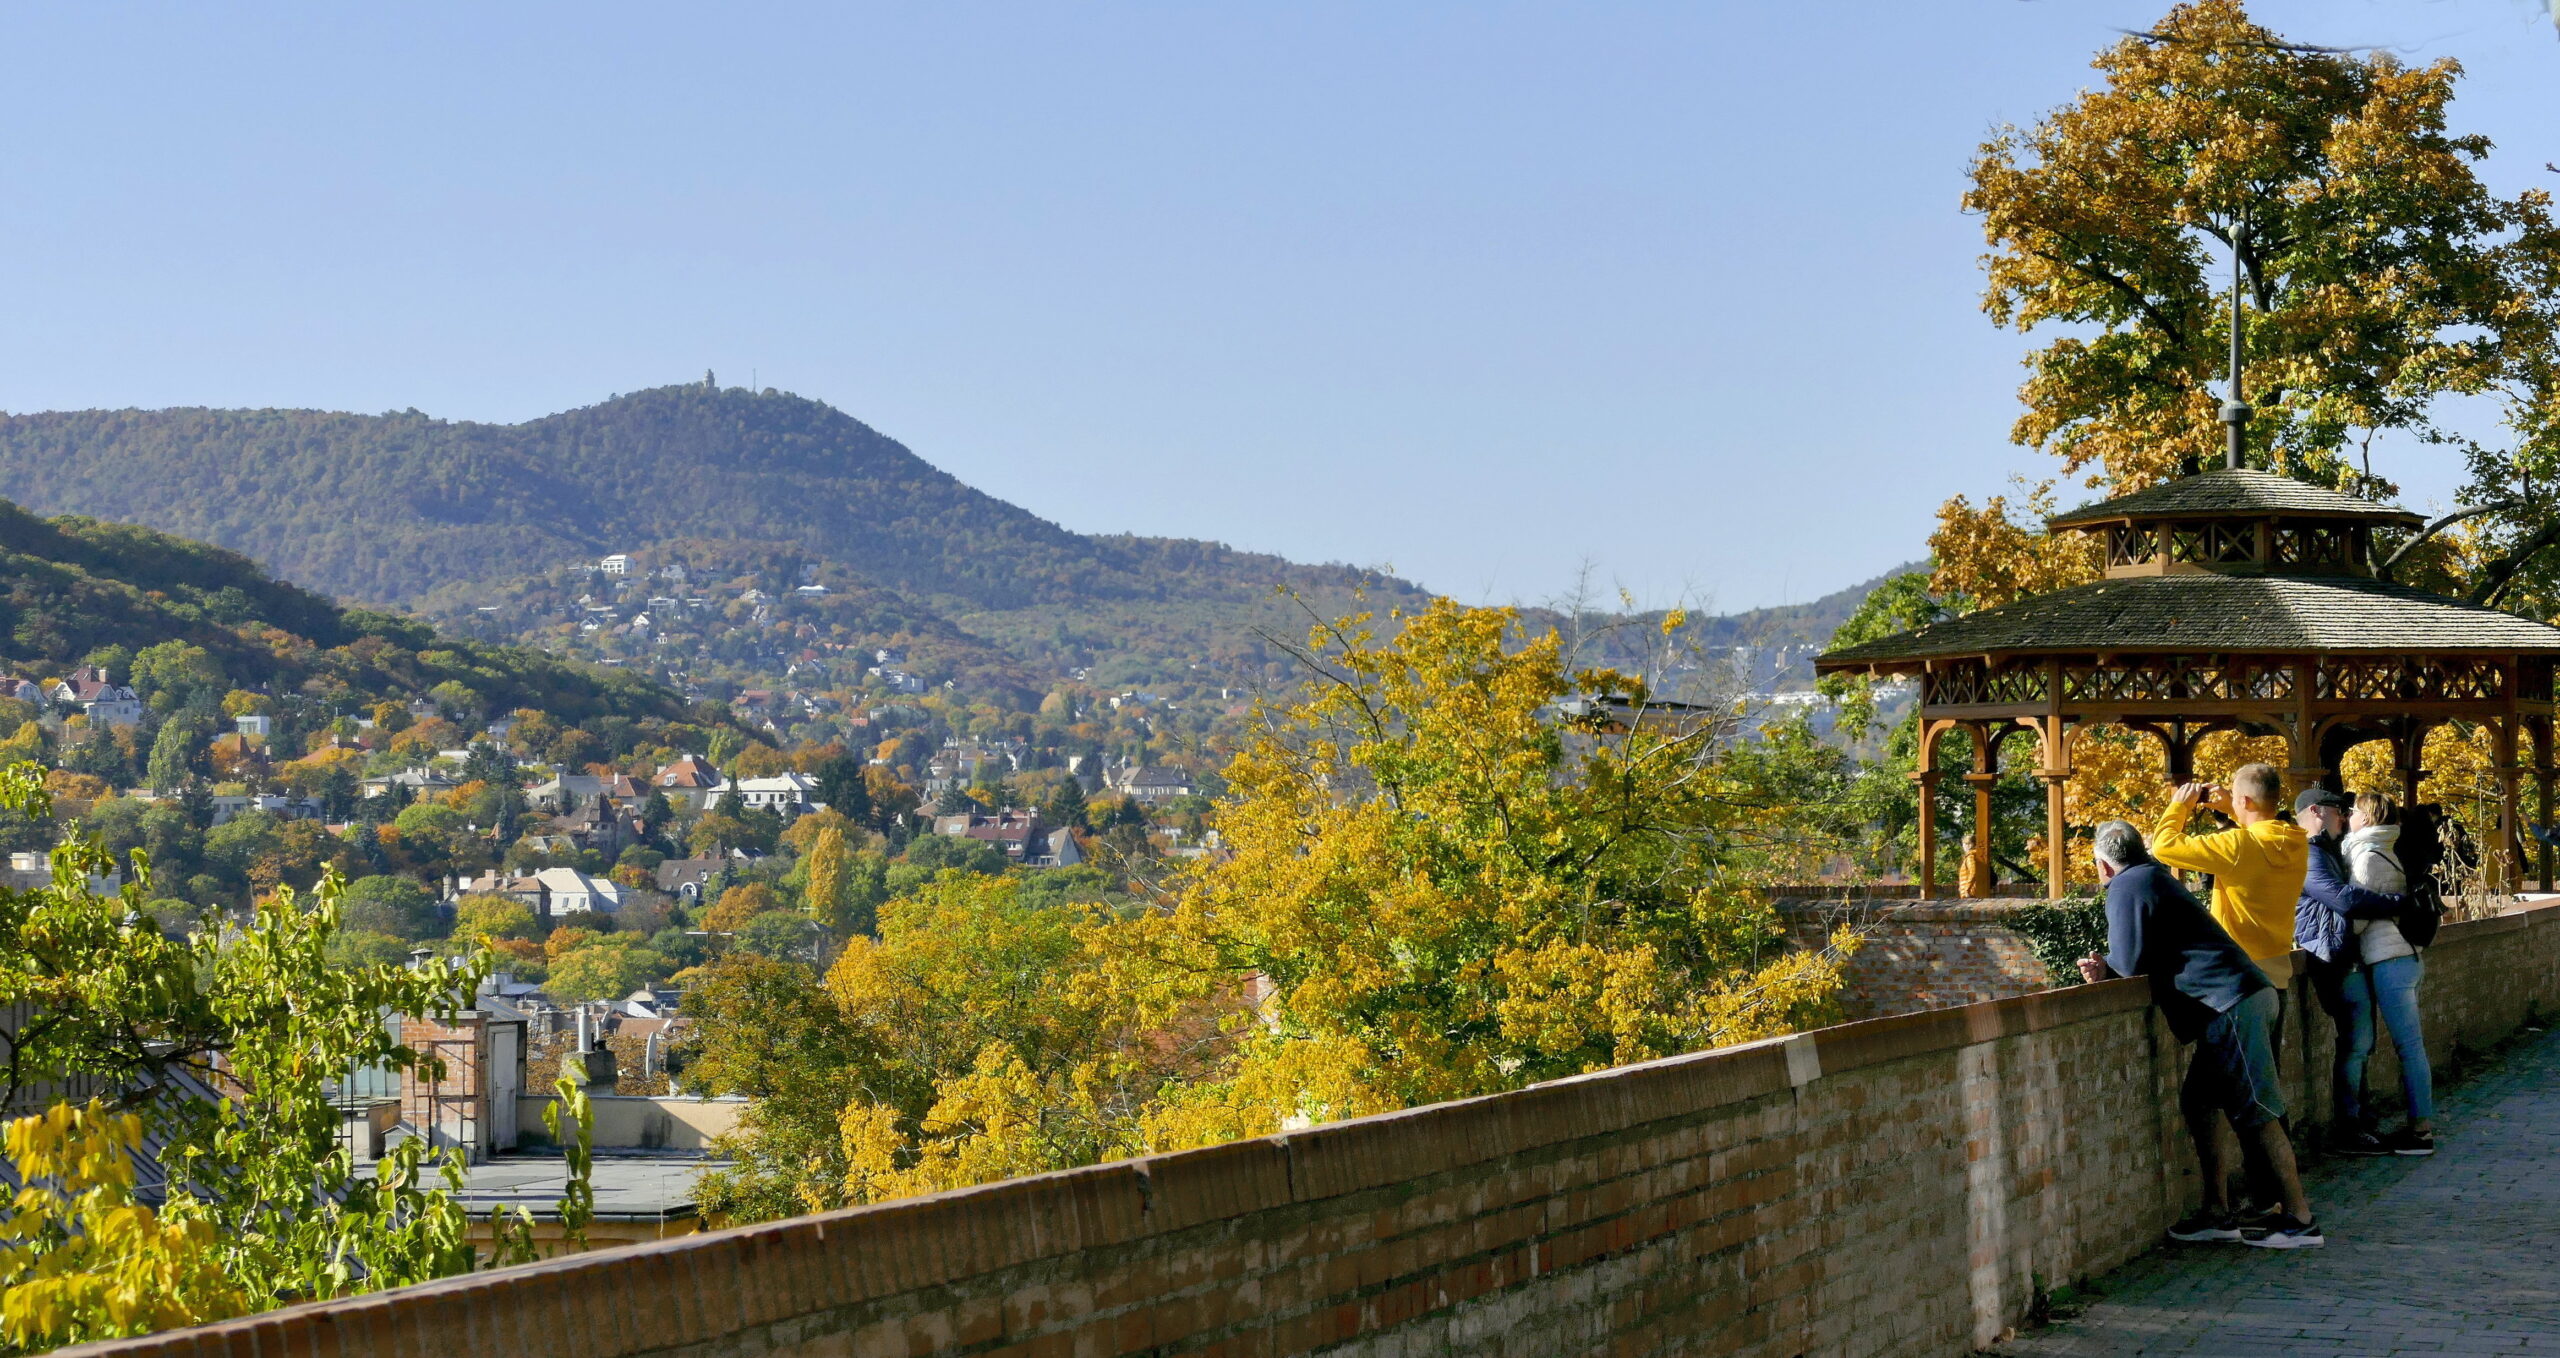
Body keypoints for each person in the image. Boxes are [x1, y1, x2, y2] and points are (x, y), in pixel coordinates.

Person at [2078, 819, 2323, 1249]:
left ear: (2103, 865)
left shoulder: (2125, 886)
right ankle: (2216, 1212)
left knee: (2259, 1110)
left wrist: (2104, 969)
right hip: (2242, 996)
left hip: (2230, 1005)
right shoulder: (2153, 876)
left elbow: (2131, 961)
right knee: (2200, 1102)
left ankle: (2301, 1220)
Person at [2290, 786, 2410, 1157]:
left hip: (2343, 955)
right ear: (2316, 811)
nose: (2344, 815)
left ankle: (2360, 1122)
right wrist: (2399, 904)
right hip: (2333, 959)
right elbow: (2341, 898)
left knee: (2360, 1042)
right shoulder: (2307, 852)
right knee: (2356, 1043)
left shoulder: (2325, 849)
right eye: (2337, 809)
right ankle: (2350, 1129)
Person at [2150, 763, 2309, 987]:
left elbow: (2163, 846)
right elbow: (2261, 830)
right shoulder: (2297, 841)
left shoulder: (2237, 845)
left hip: (2238, 973)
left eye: (2235, 797)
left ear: (2245, 800)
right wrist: (2234, 808)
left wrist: (2178, 807)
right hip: (2277, 972)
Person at [2339, 791, 2435, 1156]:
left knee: (2409, 1047)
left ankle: (2421, 1130)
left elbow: (2360, 914)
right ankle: (2418, 1125)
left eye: (2352, 811)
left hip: (2389, 958)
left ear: (2365, 817)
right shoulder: (2383, 849)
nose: (2348, 816)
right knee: (2410, 1046)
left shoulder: (2365, 855)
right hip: (2402, 956)